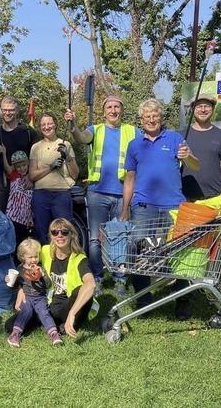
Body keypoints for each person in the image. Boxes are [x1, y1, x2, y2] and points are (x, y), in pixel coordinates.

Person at [120, 98, 199, 313]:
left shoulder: (174, 138)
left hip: (174, 206)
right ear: (141, 119)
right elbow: (129, 179)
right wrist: (125, 209)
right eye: (147, 117)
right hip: (143, 206)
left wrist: (187, 156)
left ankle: (182, 301)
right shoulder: (134, 144)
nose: (151, 119)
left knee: (181, 253)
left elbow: (195, 165)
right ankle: (143, 300)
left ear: (161, 117)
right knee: (137, 252)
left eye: (155, 116)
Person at [67, 95, 140, 294]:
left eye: (117, 106)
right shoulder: (95, 129)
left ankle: (119, 279)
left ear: (122, 110)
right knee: (94, 239)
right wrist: (73, 125)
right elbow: (81, 138)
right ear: (104, 110)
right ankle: (97, 277)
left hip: (123, 192)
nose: (113, 110)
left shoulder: (133, 131)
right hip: (97, 192)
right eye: (109, 107)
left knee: (120, 237)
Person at [4, 218, 96, 337]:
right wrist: (22, 288)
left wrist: (72, 313)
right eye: (55, 232)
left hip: (66, 307)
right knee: (10, 326)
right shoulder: (44, 251)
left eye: (64, 232)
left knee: (81, 291)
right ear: (51, 236)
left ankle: (66, 322)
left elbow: (91, 284)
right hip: (45, 303)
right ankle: (47, 322)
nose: (59, 235)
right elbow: (26, 265)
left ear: (71, 235)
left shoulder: (79, 258)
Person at [0, 95, 39, 213]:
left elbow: (37, 158)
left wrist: (30, 177)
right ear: (0, 111)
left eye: (11, 110)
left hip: (23, 185)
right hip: (0, 186)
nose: (7, 113)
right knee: (1, 224)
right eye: (4, 110)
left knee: (22, 226)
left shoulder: (28, 132)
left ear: (17, 111)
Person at [29, 112, 78, 244]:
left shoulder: (65, 144)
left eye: (49, 123)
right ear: (40, 127)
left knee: (64, 231)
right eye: (43, 124)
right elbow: (32, 175)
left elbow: (75, 174)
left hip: (61, 194)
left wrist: (67, 156)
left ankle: (65, 260)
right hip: (41, 194)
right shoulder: (36, 147)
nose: (47, 127)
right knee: (42, 231)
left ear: (55, 124)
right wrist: (50, 167)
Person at [6, 238, 63, 347]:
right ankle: (15, 334)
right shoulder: (20, 269)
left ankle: (53, 334)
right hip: (27, 297)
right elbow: (16, 285)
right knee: (25, 312)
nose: (34, 260)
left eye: (36, 256)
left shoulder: (40, 268)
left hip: (39, 297)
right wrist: (9, 281)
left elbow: (48, 285)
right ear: (23, 257)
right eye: (30, 257)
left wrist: (43, 275)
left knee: (44, 313)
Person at [181, 93, 221, 201]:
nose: (203, 110)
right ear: (192, 109)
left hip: (216, 197)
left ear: (213, 109)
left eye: (207, 106)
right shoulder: (181, 135)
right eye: (199, 106)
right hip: (186, 197)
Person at [1, 148, 33, 247]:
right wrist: (4, 153)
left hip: (26, 216)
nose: (22, 168)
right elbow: (7, 167)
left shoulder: (32, 178)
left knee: (23, 240)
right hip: (13, 215)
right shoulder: (14, 175)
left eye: (24, 165)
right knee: (13, 239)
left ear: (28, 164)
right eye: (18, 167)